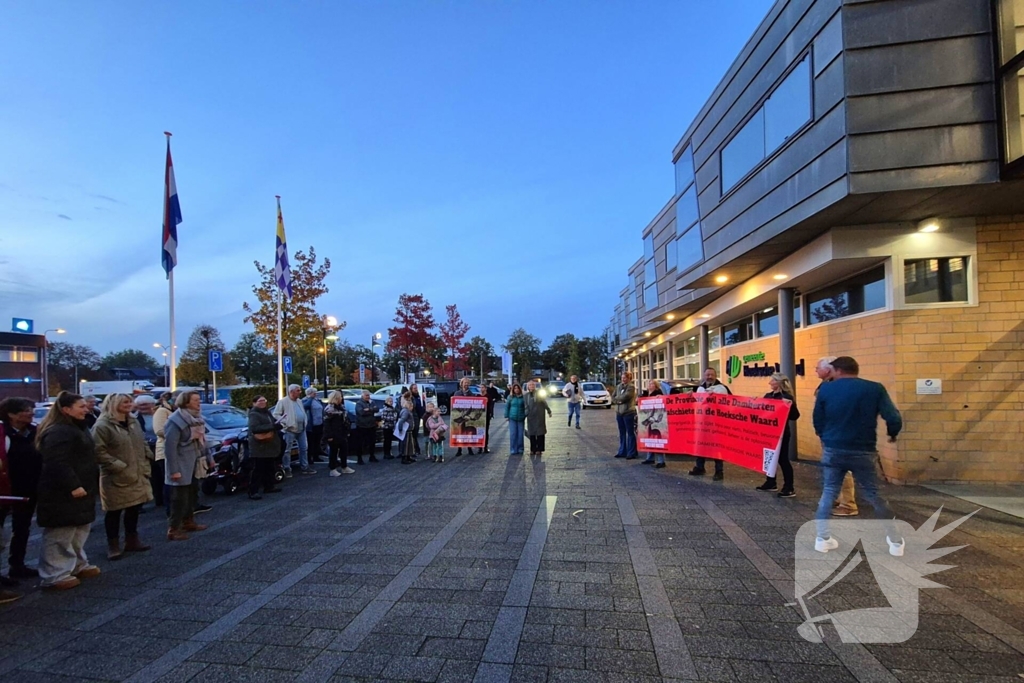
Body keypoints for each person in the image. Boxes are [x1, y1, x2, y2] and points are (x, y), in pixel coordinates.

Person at [812, 356, 904, 556]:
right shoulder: (874, 389)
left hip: (833, 447)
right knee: (873, 494)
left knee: (828, 491)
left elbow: (817, 418)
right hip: (863, 448)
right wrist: (892, 434)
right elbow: (893, 416)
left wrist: (824, 436)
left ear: (837, 371)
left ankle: (822, 538)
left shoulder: (826, 389)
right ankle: (895, 541)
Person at [35, 392, 102, 591]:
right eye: (81, 406)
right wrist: (73, 485)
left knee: (78, 530)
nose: (86, 409)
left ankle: (77, 564)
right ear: (66, 410)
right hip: (63, 492)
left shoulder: (78, 428)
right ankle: (54, 573)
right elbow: (56, 462)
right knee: (60, 533)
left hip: (82, 487)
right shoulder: (59, 431)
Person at [92, 393, 153, 560]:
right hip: (116, 476)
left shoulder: (133, 422)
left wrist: (147, 456)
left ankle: (132, 540)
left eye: (129, 401)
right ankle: (113, 545)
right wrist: (117, 465)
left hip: (137, 472)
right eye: (125, 402)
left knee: (134, 508)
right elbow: (98, 451)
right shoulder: (103, 426)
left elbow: (142, 441)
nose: (129, 404)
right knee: (114, 511)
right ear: (114, 404)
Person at [0, 398, 42, 581]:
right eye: (27, 410)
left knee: (22, 528)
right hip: (8, 489)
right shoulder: (4, 435)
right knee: (2, 530)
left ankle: (17, 565)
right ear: (11, 414)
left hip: (29, 488)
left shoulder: (34, 432)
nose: (32, 413)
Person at [163, 391, 209, 541]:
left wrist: (208, 457)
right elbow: (170, 447)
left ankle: (188, 521)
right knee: (179, 498)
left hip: (195, 462)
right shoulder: (175, 420)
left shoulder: (197, 419)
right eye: (195, 400)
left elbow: (203, 440)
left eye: (198, 399)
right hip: (181, 463)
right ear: (186, 402)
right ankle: (173, 528)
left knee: (192, 494)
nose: (199, 402)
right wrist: (174, 470)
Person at [816, 357, 858, 517]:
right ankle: (837, 498)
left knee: (842, 467)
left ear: (828, 369)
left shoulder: (838, 386)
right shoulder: (827, 384)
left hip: (838, 433)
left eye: (818, 368)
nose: (816, 371)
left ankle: (848, 504)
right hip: (829, 432)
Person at [755, 373, 800, 497]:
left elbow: (795, 416)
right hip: (768, 433)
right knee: (769, 458)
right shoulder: (768, 396)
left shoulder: (786, 397)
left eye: (773, 380)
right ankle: (770, 482)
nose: (770, 382)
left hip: (781, 434)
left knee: (783, 459)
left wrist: (789, 406)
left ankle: (789, 487)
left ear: (779, 383)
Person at [691, 367, 730, 480]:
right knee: (700, 445)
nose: (709, 377)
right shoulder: (700, 389)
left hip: (716, 424)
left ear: (716, 375)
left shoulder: (722, 388)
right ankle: (700, 467)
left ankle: (719, 471)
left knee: (717, 447)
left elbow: (730, 403)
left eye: (711, 374)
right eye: (707, 374)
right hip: (702, 423)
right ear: (704, 376)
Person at [247, 396, 284, 497]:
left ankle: (269, 486)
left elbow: (272, 423)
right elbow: (254, 428)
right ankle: (253, 491)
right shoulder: (254, 414)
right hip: (259, 445)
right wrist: (272, 426)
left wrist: (278, 424)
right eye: (260, 401)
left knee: (269, 467)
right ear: (254, 403)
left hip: (269, 443)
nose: (263, 402)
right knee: (258, 469)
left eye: (264, 400)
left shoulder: (267, 412)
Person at [273, 384, 315, 475]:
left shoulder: (299, 401)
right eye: (298, 391)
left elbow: (302, 412)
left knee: (304, 448)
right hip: (289, 429)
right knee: (287, 450)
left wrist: (305, 421)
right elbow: (276, 414)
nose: (300, 392)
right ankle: (287, 468)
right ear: (291, 392)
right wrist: (286, 421)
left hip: (301, 428)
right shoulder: (283, 402)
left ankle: (305, 466)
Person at [323, 391, 354, 476]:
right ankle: (332, 469)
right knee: (333, 451)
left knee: (344, 449)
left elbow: (345, 420)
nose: (341, 398)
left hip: (342, 433)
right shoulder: (329, 409)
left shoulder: (341, 407)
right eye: (340, 397)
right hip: (333, 433)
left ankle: (344, 467)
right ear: (336, 398)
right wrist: (329, 436)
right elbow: (327, 424)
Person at [152, 392, 174, 513]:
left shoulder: (174, 411)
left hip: (175, 450)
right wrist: (178, 436)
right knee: (169, 480)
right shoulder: (162, 411)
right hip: (164, 450)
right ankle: (169, 507)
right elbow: (159, 430)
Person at [639, 380, 666, 468]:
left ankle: (661, 461)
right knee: (648, 439)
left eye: (652, 384)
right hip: (648, 419)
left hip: (656, 421)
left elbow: (663, 402)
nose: (650, 385)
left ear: (656, 386)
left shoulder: (658, 393)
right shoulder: (645, 394)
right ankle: (649, 458)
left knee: (657, 441)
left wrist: (660, 397)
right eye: (649, 384)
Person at [612, 371, 638, 459]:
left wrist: (618, 400)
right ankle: (622, 451)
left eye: (625, 378)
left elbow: (626, 397)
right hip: (619, 413)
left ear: (629, 378)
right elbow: (613, 396)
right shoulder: (618, 386)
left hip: (628, 413)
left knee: (630, 433)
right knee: (622, 433)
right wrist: (617, 401)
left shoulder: (631, 387)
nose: (623, 379)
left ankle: (632, 452)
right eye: (622, 378)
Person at [524, 381, 553, 456]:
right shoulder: (526, 395)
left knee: (540, 433)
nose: (531, 386)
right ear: (528, 387)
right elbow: (524, 405)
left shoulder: (539, 394)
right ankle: (533, 449)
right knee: (532, 433)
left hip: (539, 415)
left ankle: (539, 449)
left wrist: (548, 411)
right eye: (530, 385)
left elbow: (544, 402)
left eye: (533, 385)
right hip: (530, 416)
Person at [353, 390, 379, 464]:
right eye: (366, 395)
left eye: (368, 395)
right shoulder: (359, 403)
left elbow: (376, 409)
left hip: (371, 425)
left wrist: (369, 409)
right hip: (362, 425)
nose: (368, 397)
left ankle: (372, 456)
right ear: (362, 396)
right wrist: (371, 410)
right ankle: (359, 458)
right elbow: (361, 412)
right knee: (360, 443)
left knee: (372, 442)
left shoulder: (372, 402)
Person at [452, 378, 477, 456]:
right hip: (460, 415)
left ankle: (469, 448)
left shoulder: (472, 394)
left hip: (468, 416)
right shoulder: (457, 393)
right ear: (461, 384)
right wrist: (461, 412)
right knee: (460, 432)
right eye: (465, 383)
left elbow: (474, 405)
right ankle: (459, 449)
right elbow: (454, 404)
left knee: (468, 433)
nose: (466, 384)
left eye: (468, 383)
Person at [303, 388, 325, 464]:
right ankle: (309, 458)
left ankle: (316, 456)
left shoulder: (317, 400)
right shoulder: (305, 400)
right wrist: (310, 398)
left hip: (319, 423)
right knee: (310, 442)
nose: (316, 394)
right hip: (311, 425)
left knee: (317, 441)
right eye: (314, 393)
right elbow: (306, 406)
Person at [505, 384, 526, 455]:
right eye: (515, 388)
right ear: (513, 390)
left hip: (521, 418)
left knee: (520, 434)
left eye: (517, 388)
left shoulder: (523, 397)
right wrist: (506, 416)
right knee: (513, 434)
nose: (516, 390)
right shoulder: (510, 397)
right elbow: (507, 407)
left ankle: (520, 448)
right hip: (512, 417)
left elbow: (526, 407)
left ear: (519, 389)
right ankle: (513, 449)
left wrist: (525, 414)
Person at [397, 395, 417, 464]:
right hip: (406, 431)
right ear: (409, 406)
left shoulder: (406, 411)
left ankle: (408, 457)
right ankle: (404, 458)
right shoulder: (406, 412)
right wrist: (400, 428)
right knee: (405, 445)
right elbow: (402, 420)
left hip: (409, 430)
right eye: (411, 407)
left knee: (409, 445)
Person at [410, 384, 426, 456]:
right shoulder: (411, 398)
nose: (416, 389)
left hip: (418, 417)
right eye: (414, 388)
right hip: (413, 417)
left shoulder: (418, 397)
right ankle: (415, 449)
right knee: (413, 434)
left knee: (415, 434)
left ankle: (416, 449)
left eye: (416, 388)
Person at [479, 383, 494, 453]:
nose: (481, 389)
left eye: (483, 387)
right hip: (479, 417)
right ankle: (479, 447)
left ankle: (485, 446)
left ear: (485, 388)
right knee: (479, 431)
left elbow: (491, 406)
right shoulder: (478, 396)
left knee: (485, 431)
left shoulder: (488, 396)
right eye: (480, 387)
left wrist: (491, 414)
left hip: (486, 416)